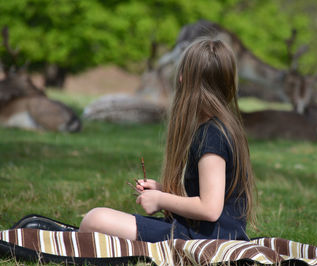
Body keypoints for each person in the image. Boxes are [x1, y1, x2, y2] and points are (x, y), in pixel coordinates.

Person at [79, 38, 255, 242]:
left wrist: (161, 200)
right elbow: (208, 194)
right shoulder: (217, 128)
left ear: (183, 79)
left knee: (96, 219)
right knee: (95, 220)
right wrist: (163, 190)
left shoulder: (212, 136)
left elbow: (210, 209)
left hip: (206, 240)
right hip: (202, 233)